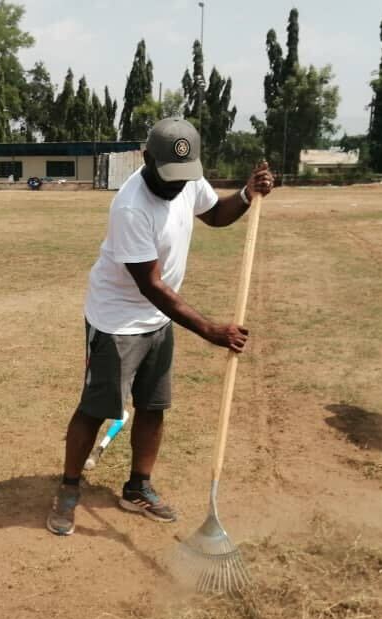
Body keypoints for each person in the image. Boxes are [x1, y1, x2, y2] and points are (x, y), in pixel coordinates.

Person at [47, 117, 275, 537]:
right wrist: (209, 329)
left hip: (159, 318)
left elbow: (217, 214)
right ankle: (68, 487)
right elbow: (150, 285)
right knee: (97, 409)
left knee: (153, 406)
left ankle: (138, 486)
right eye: (168, 176)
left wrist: (245, 194)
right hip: (117, 320)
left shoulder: (186, 176)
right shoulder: (131, 206)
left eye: (183, 178)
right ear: (146, 157)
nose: (176, 186)